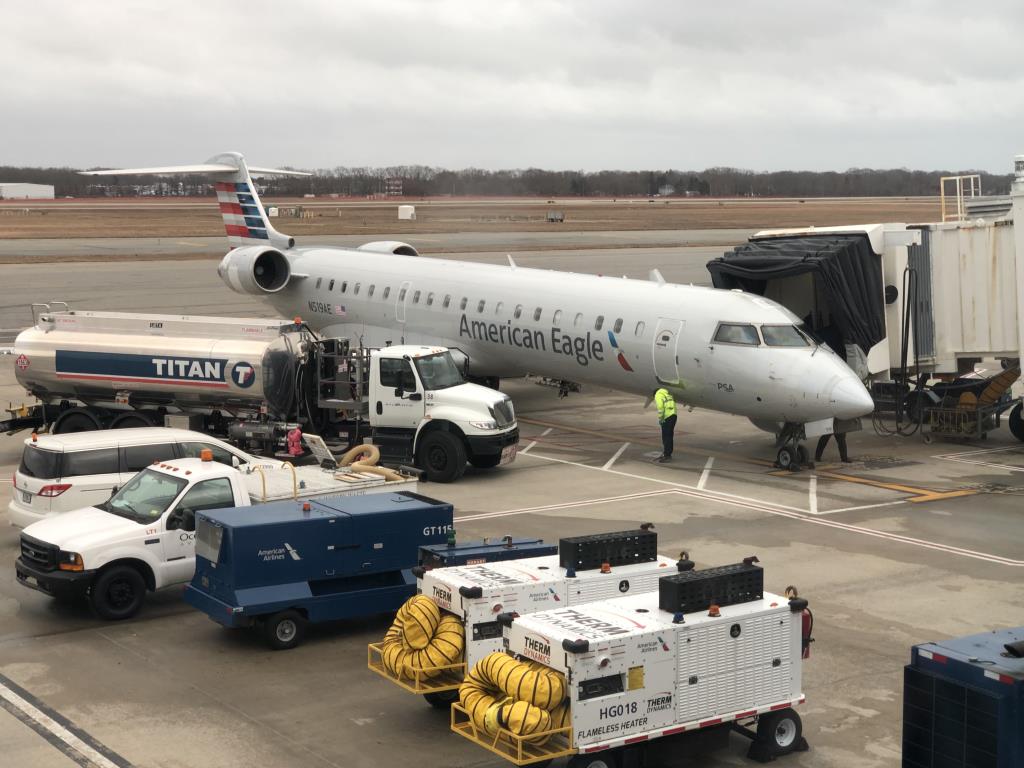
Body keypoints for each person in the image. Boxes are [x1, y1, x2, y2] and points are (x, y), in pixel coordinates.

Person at [653, 387, 677, 462]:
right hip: (673, 416)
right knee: (669, 436)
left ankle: (667, 455)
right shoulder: (667, 394)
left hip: (667, 417)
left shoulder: (658, 395)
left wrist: (661, 418)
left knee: (666, 436)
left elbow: (660, 407)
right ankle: (667, 453)